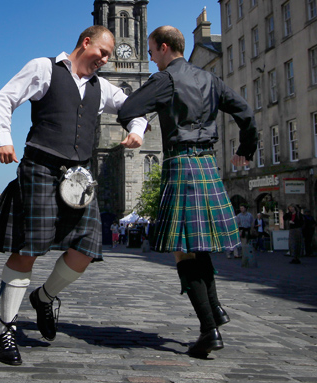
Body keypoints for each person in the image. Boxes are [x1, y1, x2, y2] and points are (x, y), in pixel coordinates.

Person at [0, 25, 147, 366]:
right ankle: (5, 330)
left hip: (79, 179)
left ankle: (44, 297)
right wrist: (3, 139)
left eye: (109, 56)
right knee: (29, 250)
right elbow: (4, 99)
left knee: (86, 250)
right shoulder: (44, 68)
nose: (105, 60)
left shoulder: (103, 88)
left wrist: (136, 130)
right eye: (103, 52)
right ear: (86, 43)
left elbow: (135, 108)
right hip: (40, 168)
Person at [118, 26, 257, 358]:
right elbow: (246, 113)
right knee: (200, 245)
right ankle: (215, 310)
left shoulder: (164, 80)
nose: (150, 58)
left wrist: (141, 124)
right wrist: (246, 148)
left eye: (151, 52)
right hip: (208, 163)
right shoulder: (209, 78)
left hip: (181, 163)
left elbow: (126, 110)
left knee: (183, 248)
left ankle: (209, 330)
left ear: (165, 48)